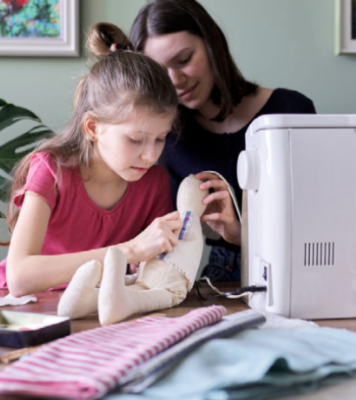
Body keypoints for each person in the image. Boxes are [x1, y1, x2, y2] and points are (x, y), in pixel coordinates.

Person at [0, 22, 183, 297]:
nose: (151, 155)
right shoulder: (51, 170)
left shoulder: (154, 183)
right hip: (24, 307)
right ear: (92, 128)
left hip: (95, 307)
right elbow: (19, 277)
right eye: (136, 140)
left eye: (160, 138)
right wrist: (131, 251)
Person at [130, 0, 316, 282]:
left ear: (212, 43)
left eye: (184, 60)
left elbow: (318, 226)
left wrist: (242, 234)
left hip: (295, 276)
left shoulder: (292, 112)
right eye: (160, 70)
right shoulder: (165, 137)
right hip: (206, 286)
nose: (176, 80)